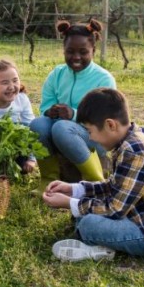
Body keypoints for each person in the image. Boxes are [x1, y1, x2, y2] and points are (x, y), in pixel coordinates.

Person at [42, 88, 144, 266]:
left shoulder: (134, 151)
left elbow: (114, 209)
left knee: (88, 224)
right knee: (85, 212)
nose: (91, 138)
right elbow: (116, 186)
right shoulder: (132, 140)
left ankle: (98, 250)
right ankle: (98, 241)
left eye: (89, 131)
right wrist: (75, 189)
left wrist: (68, 203)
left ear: (111, 125)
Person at [29, 18, 116, 182]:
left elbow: (104, 120)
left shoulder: (103, 79)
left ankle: (95, 180)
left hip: (95, 138)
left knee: (62, 127)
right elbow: (44, 107)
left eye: (83, 52)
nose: (76, 57)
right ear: (64, 50)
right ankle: (49, 180)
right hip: (63, 132)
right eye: (70, 51)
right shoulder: (57, 74)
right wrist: (50, 111)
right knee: (37, 124)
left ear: (93, 50)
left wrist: (74, 114)